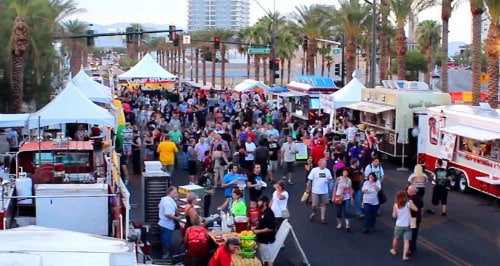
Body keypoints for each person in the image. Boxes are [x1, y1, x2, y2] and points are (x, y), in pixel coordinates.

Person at [390, 191, 418, 261]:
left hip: (399, 224)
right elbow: (416, 209)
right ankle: (404, 256)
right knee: (406, 241)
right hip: (408, 225)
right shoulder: (408, 204)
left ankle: (394, 250)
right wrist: (411, 203)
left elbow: (394, 216)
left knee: (396, 238)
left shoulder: (396, 205)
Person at [158, 186, 182, 260]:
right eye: (175, 193)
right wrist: (177, 218)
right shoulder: (168, 203)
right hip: (166, 225)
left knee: (164, 240)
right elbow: (168, 214)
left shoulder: (164, 200)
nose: (176, 194)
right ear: (170, 192)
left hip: (163, 224)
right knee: (166, 241)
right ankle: (166, 256)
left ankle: (165, 253)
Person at [307, 158, 333, 224]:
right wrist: (308, 188)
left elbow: (330, 179)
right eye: (324, 163)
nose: (326, 165)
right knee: (314, 205)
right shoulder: (314, 170)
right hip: (315, 191)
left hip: (324, 191)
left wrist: (328, 181)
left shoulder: (327, 171)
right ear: (320, 164)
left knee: (323, 204)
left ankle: (322, 218)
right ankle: (314, 212)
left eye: (326, 164)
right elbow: (309, 180)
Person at [253, 195, 276, 266]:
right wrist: (256, 227)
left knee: (268, 260)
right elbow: (263, 224)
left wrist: (257, 231)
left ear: (265, 203)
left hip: (266, 241)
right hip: (262, 240)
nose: (258, 203)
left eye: (260, 201)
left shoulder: (269, 213)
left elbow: (270, 228)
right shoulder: (263, 212)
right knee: (264, 258)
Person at [407, 185, 423, 256]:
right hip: (418, 218)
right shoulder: (419, 198)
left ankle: (410, 249)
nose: (407, 191)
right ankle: (414, 247)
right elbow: (421, 208)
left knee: (411, 233)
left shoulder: (410, 200)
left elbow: (409, 210)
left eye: (408, 190)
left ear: (411, 191)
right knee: (415, 233)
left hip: (412, 219)